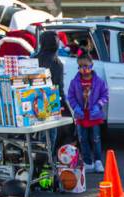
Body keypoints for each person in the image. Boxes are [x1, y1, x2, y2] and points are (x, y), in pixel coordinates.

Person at [67, 53, 109, 173]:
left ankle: (98, 161)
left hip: (94, 116)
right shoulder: (74, 82)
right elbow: (71, 96)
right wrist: (75, 107)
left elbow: (105, 95)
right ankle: (87, 161)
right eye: (80, 66)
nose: (83, 69)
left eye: (86, 65)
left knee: (96, 139)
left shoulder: (99, 81)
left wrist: (99, 105)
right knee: (82, 139)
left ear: (92, 65)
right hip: (81, 116)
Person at [36, 30, 68, 161]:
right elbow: (59, 87)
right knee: (50, 135)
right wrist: (65, 105)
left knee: (35, 137)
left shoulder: (33, 58)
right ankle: (48, 162)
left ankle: (37, 160)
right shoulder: (57, 63)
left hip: (31, 102)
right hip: (50, 104)